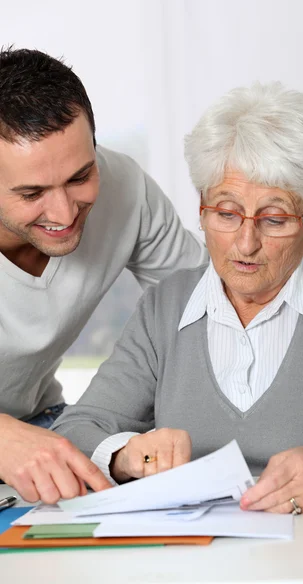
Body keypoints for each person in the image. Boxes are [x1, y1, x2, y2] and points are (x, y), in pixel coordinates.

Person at [53, 82, 303, 514]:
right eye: (226, 213)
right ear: (201, 209)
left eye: (274, 219)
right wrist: (130, 457)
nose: (245, 243)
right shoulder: (166, 306)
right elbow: (77, 429)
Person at [0, 47, 207, 501]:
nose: (64, 211)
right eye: (32, 192)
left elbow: (204, 312)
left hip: (45, 425)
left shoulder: (126, 188)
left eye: (80, 176)